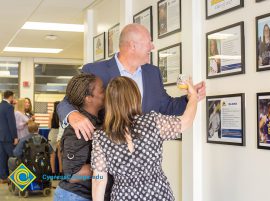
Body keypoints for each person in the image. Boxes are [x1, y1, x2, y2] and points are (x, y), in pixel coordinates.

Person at [57, 23, 206, 141]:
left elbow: (166, 106)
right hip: (105, 161)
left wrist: (190, 98)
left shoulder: (153, 73)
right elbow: (66, 102)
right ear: (133, 45)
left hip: (143, 163)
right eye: (149, 42)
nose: (153, 47)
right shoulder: (94, 70)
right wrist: (73, 115)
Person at [91, 76, 200, 201]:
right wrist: (193, 97)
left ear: (109, 102)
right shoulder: (153, 122)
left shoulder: (101, 136)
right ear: (135, 97)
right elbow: (185, 122)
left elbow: (98, 180)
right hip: (158, 194)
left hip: (123, 196)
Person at [54, 74, 106, 201]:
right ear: (88, 98)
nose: (106, 92)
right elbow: (72, 175)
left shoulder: (96, 121)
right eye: (102, 90)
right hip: (74, 196)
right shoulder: (78, 130)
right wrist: (106, 166)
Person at [0, 90, 18, 183]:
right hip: (7, 137)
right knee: (13, 157)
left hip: (0, 137)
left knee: (2, 157)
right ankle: (17, 178)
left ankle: (3, 177)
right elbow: (11, 123)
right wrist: (15, 137)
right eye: (13, 97)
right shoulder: (9, 107)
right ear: (10, 97)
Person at [48, 101, 63, 176]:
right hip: (60, 134)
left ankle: (53, 173)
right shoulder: (62, 114)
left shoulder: (51, 114)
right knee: (60, 155)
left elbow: (49, 126)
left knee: (52, 155)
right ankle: (60, 173)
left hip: (52, 134)